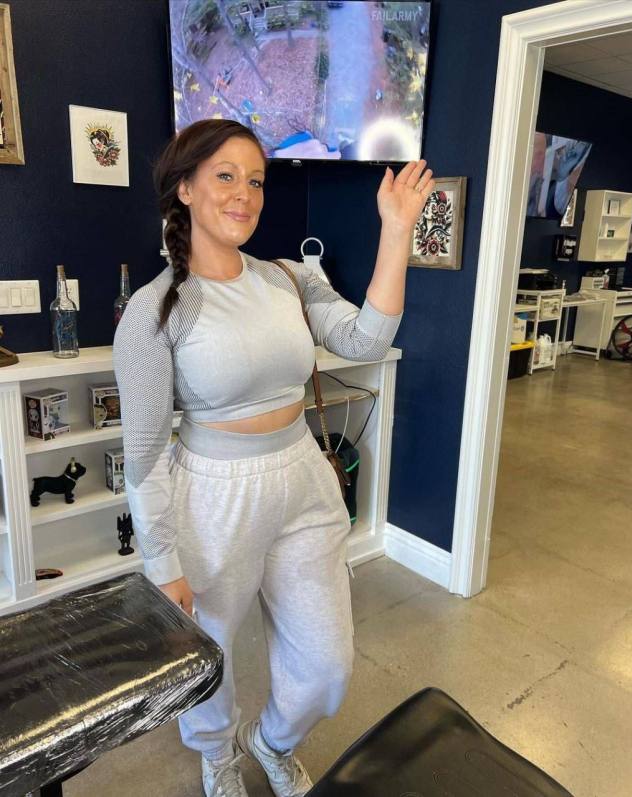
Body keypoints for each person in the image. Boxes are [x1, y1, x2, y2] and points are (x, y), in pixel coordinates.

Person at [113, 118, 434, 797]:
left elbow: (365, 340)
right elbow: (142, 453)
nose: (245, 194)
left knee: (327, 661)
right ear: (184, 189)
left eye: (256, 180)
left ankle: (273, 740)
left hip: (302, 478)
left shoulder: (288, 278)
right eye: (226, 176)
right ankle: (217, 755)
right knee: (208, 652)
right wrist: (162, 562)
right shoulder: (153, 309)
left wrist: (396, 230)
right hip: (212, 493)